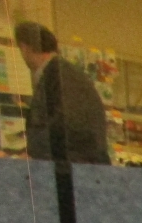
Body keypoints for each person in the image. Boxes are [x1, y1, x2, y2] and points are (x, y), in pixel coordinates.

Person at [15, 21, 110, 165]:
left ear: (25, 48)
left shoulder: (57, 75)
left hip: (73, 169)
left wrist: (33, 154)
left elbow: (66, 125)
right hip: (82, 166)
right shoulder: (67, 74)